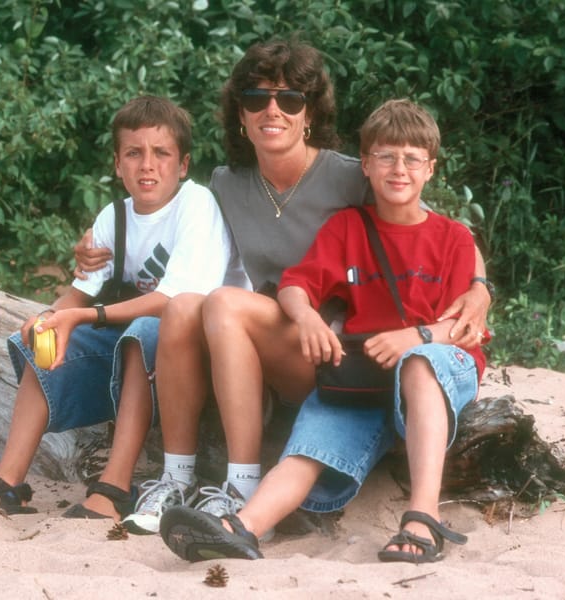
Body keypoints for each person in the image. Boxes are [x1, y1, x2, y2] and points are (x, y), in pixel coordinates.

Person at [73, 38, 492, 535]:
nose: (273, 110)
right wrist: (100, 240)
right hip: (270, 336)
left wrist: (480, 286)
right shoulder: (227, 184)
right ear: (241, 115)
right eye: (257, 99)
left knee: (224, 304)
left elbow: (425, 223)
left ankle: (243, 483)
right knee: (185, 306)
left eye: (289, 99)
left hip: (338, 348)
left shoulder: (350, 176)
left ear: (309, 113)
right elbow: (163, 218)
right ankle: (176, 479)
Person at [159, 98, 487, 564]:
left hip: (438, 362)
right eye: (386, 157)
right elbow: (296, 284)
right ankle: (243, 526)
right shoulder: (348, 226)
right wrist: (308, 316)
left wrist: (418, 338)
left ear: (430, 169)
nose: (399, 169)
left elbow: (466, 326)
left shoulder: (453, 237)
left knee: (418, 365)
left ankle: (422, 517)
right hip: (366, 373)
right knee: (310, 445)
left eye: (412, 159)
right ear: (365, 167)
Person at [0, 95, 245, 520]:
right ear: (117, 163)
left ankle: (115, 485)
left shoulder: (194, 206)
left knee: (140, 333)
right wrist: (50, 317)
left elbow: (172, 301)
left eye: (161, 153)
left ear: (182, 165)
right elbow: (79, 295)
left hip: (194, 353)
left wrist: (82, 317)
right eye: (134, 153)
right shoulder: (114, 217)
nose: (147, 165)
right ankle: (8, 482)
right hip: (138, 342)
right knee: (42, 338)